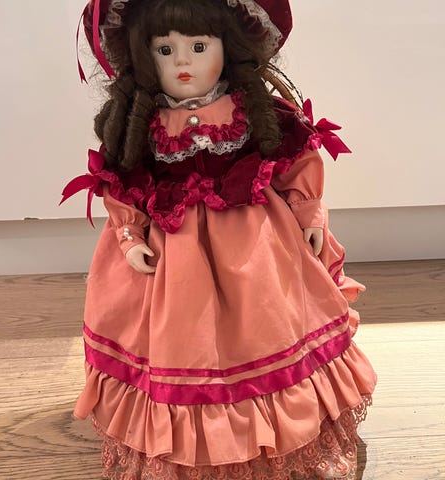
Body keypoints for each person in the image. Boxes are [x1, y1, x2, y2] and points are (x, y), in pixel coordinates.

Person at [62, 0, 377, 478]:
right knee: (179, 346)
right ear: (143, 56)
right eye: (165, 49)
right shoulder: (140, 123)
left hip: (254, 249)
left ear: (227, 46)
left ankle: (277, 439)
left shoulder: (250, 111)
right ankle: (193, 446)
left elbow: (296, 160)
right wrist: (129, 233)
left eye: (198, 47)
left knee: (268, 327)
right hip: (172, 263)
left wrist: (308, 211)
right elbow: (122, 183)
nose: (182, 62)